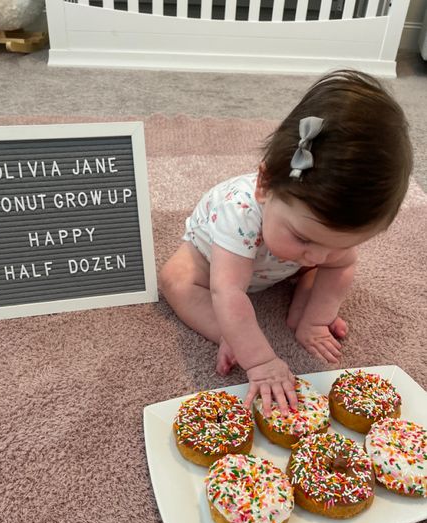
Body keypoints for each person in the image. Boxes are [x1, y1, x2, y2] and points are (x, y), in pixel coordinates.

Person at [159, 70, 413, 416]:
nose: (321, 254)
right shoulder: (240, 212)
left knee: (324, 267)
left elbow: (342, 264)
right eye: (305, 237)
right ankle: (227, 333)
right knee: (175, 280)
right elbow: (228, 291)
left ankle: (302, 303)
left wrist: (318, 317)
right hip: (214, 257)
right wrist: (260, 360)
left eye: (337, 242)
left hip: (277, 262)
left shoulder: (316, 241)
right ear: (265, 186)